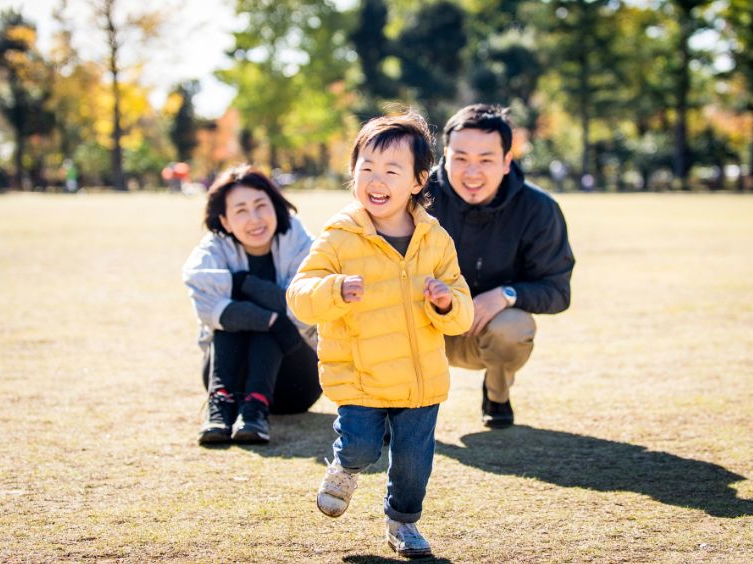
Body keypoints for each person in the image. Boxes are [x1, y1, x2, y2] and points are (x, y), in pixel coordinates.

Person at [287, 111, 474, 559]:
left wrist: (446, 302)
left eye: (392, 170)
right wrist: (334, 289)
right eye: (366, 167)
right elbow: (299, 295)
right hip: (361, 374)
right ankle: (345, 468)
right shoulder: (339, 237)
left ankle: (402, 523)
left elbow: (462, 310)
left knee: (413, 465)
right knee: (361, 446)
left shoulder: (435, 239)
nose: (376, 178)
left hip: (419, 378)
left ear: (417, 180)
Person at [427, 104, 575, 429]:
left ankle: (497, 392)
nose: (472, 172)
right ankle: (388, 409)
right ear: (445, 156)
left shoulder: (540, 210)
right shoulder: (417, 198)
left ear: (507, 162)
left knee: (514, 326)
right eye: (461, 158)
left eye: (486, 160)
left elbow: (557, 290)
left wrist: (505, 295)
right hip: (424, 325)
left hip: (485, 330)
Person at [182, 165, 321, 445]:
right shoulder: (213, 248)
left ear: (275, 205)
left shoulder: (300, 242)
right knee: (237, 318)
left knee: (249, 314)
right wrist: (271, 316)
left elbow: (304, 307)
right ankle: (219, 412)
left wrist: (242, 282)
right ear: (225, 220)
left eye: (261, 205)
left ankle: (255, 412)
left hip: (296, 383)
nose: (254, 218)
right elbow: (208, 306)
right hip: (230, 378)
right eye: (241, 210)